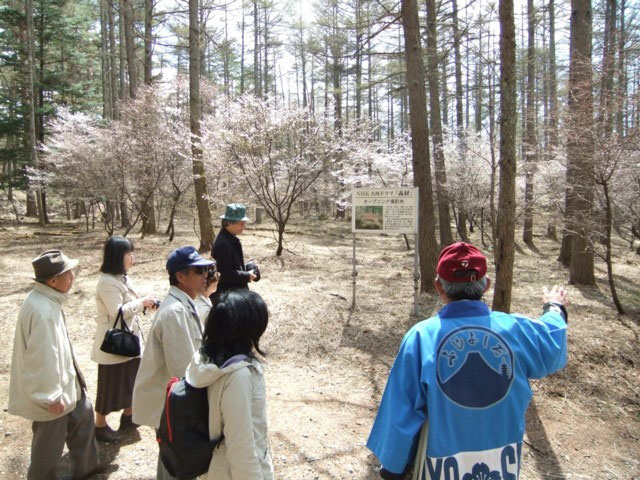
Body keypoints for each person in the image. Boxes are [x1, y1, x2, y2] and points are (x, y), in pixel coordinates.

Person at [367, 242, 569, 480]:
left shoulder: (422, 337)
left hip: (440, 467)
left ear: (438, 287)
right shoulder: (516, 329)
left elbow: (402, 409)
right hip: (502, 464)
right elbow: (551, 343)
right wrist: (554, 306)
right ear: (487, 285)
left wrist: (393, 467)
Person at [9, 250, 104, 480]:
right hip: (52, 391)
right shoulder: (42, 310)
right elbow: (41, 359)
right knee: (48, 445)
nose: (72, 277)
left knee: (83, 416)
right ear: (53, 281)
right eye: (68, 274)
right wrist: (50, 396)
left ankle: (87, 469)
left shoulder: (48, 300)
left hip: (66, 380)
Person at [132, 246, 215, 480]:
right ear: (180, 276)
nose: (205, 276)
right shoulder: (175, 312)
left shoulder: (186, 304)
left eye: (206, 270)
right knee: (179, 463)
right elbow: (184, 370)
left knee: (172, 461)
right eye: (198, 271)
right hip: (172, 405)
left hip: (174, 402)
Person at [185, 289, 274, 480]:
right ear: (246, 328)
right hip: (232, 472)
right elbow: (240, 445)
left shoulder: (206, 359)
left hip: (216, 466)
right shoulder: (238, 376)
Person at [91, 236, 158, 443]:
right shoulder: (106, 282)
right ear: (117, 256)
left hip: (128, 340)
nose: (132, 257)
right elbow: (116, 312)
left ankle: (129, 416)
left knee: (133, 377)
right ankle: (100, 425)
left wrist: (144, 304)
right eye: (128, 253)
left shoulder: (123, 277)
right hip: (113, 343)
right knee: (109, 384)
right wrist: (141, 303)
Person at [211, 203, 258, 302]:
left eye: (244, 223)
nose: (243, 226)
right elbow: (224, 273)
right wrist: (247, 276)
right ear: (228, 223)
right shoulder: (224, 243)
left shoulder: (230, 238)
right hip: (229, 296)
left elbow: (233, 266)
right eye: (241, 223)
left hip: (234, 293)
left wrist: (248, 267)